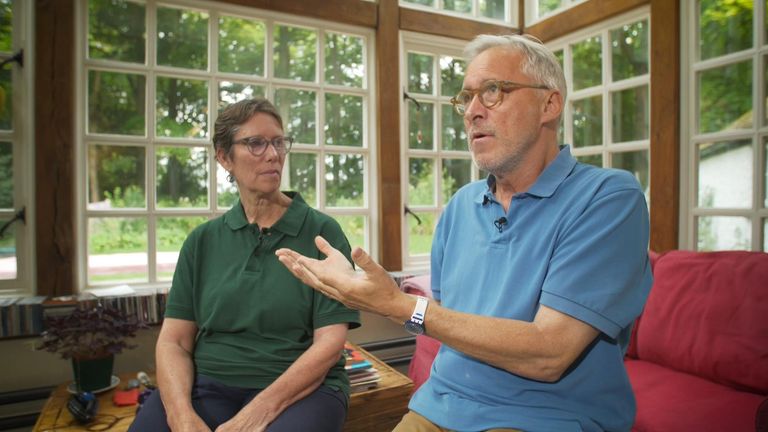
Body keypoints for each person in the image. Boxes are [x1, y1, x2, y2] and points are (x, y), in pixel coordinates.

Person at [276, 34, 653, 432]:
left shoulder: (608, 197)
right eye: (466, 97)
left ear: (549, 104)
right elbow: (444, 321)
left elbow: (549, 353)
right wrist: (382, 296)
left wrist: (397, 304)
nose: (471, 111)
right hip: (438, 407)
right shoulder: (459, 207)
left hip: (546, 419)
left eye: (492, 91)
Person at [129, 98, 360, 432]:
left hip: (302, 390)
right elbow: (174, 342)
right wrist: (180, 414)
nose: (273, 154)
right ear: (224, 157)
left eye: (279, 142)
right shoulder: (202, 241)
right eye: (255, 143)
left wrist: (257, 413)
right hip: (207, 384)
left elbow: (329, 344)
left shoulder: (322, 233)